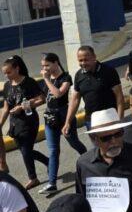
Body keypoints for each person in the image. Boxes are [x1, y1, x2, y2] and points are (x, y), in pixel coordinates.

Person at [39, 53, 87, 195]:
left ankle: (88, 159)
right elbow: (44, 97)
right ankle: (51, 183)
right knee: (53, 150)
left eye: (47, 65)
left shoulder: (65, 78)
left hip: (64, 115)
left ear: (56, 62)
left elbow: (58, 94)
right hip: (50, 117)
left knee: (73, 142)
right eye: (43, 66)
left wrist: (47, 80)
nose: (45, 68)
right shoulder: (47, 79)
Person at [1, 55, 47, 189]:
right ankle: (48, 162)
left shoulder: (29, 82)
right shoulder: (7, 86)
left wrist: (23, 107)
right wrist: (1, 124)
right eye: (5, 73)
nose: (7, 76)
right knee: (25, 151)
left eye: (9, 72)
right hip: (15, 123)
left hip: (29, 121)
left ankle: (33, 178)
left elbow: (41, 99)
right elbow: (5, 108)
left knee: (26, 151)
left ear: (17, 68)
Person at [63, 46, 124, 134]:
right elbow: (75, 100)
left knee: (114, 145)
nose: (83, 63)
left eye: (86, 60)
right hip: (91, 121)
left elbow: (119, 97)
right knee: (97, 147)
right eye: (80, 60)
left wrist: (120, 119)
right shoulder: (78, 75)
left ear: (94, 57)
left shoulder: (109, 71)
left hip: (110, 119)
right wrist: (67, 122)